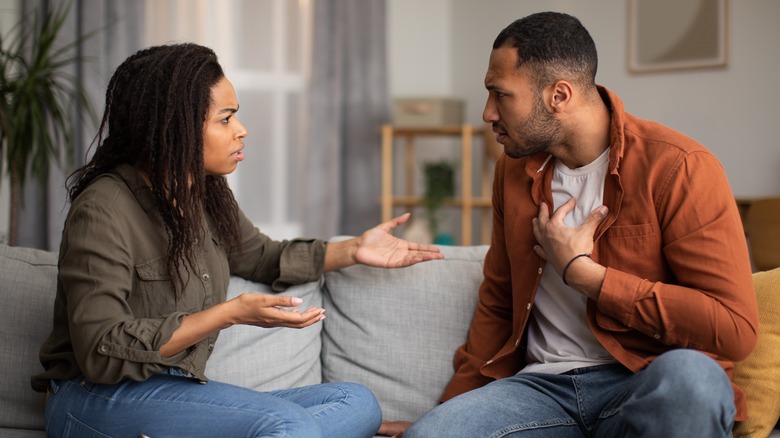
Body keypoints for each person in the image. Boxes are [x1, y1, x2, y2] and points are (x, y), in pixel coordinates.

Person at [31, 43, 443, 438]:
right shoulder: (103, 208)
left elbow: (263, 256)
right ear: (175, 126)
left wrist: (353, 249)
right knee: (292, 426)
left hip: (176, 391)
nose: (242, 131)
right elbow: (101, 349)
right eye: (225, 119)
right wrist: (229, 313)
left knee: (357, 402)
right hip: (95, 399)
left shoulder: (204, 194)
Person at [404, 11, 758, 438]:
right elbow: (499, 297)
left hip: (641, 380)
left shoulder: (680, 168)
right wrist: (448, 411)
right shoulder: (512, 173)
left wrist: (588, 277)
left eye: (500, 95)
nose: (487, 113)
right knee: (432, 435)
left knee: (692, 380)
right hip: (540, 390)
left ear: (559, 95)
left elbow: (735, 331)